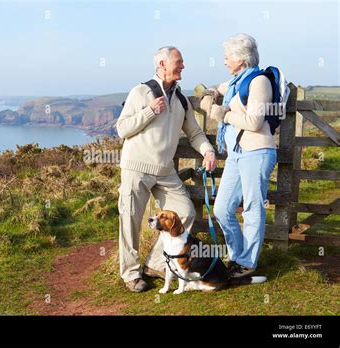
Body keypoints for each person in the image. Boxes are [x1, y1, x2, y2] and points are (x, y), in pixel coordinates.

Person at [117, 46, 216, 292]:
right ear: (162, 64)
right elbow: (122, 128)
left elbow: (194, 133)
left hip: (165, 171)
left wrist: (208, 151)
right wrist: (150, 111)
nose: (182, 66)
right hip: (136, 168)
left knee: (184, 212)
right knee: (130, 220)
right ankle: (131, 274)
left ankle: (155, 264)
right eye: (178, 62)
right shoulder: (140, 91)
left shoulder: (181, 99)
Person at [200, 33, 277, 278]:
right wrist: (210, 93)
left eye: (227, 57)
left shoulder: (258, 82)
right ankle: (237, 255)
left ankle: (247, 263)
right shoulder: (235, 82)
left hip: (257, 151)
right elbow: (216, 89)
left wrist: (223, 114)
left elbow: (254, 122)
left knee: (253, 208)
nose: (224, 61)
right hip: (236, 153)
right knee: (222, 208)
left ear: (241, 59)